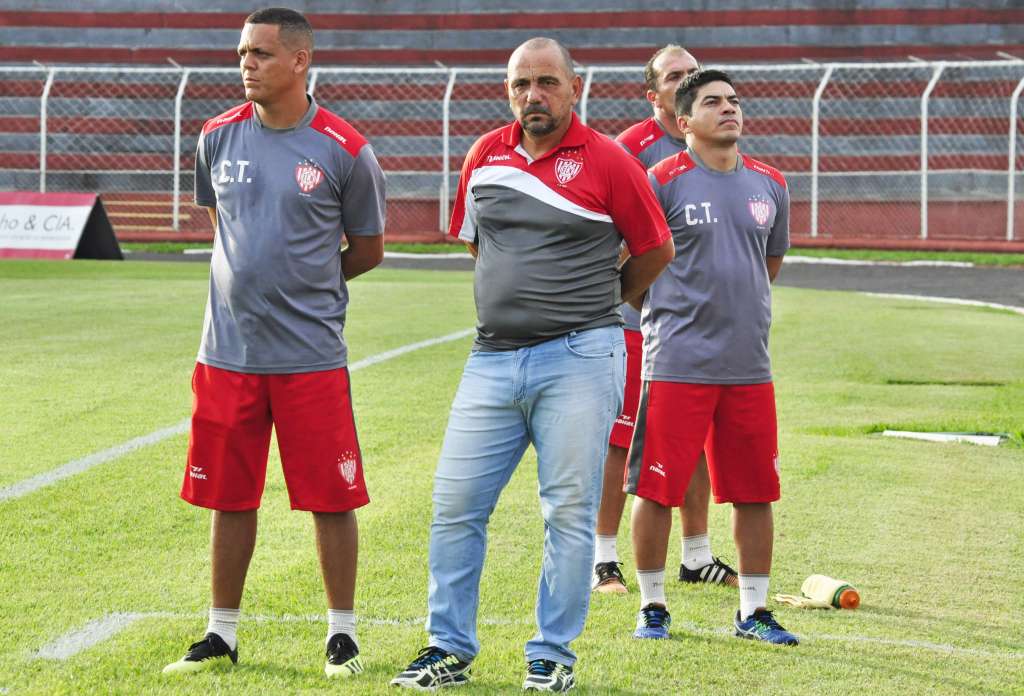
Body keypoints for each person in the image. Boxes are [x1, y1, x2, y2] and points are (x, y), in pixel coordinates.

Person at [390, 38, 674, 693]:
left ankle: (552, 654)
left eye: (547, 82)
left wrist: (599, 304)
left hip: (580, 357)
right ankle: (448, 648)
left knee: (567, 514)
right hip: (491, 360)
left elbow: (655, 249)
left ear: (575, 89)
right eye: (521, 84)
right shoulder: (483, 156)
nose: (533, 96)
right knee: (455, 506)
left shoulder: (609, 161)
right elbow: (479, 249)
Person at [162, 7, 386, 678]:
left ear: (299, 61)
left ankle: (341, 633)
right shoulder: (215, 137)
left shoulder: (344, 149)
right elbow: (222, 223)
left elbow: (368, 248)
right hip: (226, 354)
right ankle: (220, 633)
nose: (246, 65)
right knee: (229, 495)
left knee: (331, 495)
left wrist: (308, 282)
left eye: (259, 53)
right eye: (241, 54)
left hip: (310, 358)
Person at [626, 69, 798, 645]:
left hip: (749, 365)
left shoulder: (771, 184)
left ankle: (753, 612)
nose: (729, 109)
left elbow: (765, 267)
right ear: (683, 121)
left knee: (755, 490)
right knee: (656, 489)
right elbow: (633, 268)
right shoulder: (660, 181)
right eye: (714, 102)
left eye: (734, 101)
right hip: (677, 363)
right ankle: (652, 605)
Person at [593, 44, 739, 595]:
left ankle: (697, 554)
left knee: (697, 438)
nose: (688, 79)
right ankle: (603, 557)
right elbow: (614, 238)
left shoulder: (718, 149)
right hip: (640, 324)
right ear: (652, 94)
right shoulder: (631, 151)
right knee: (621, 440)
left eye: (692, 73)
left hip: (703, 330)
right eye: (675, 75)